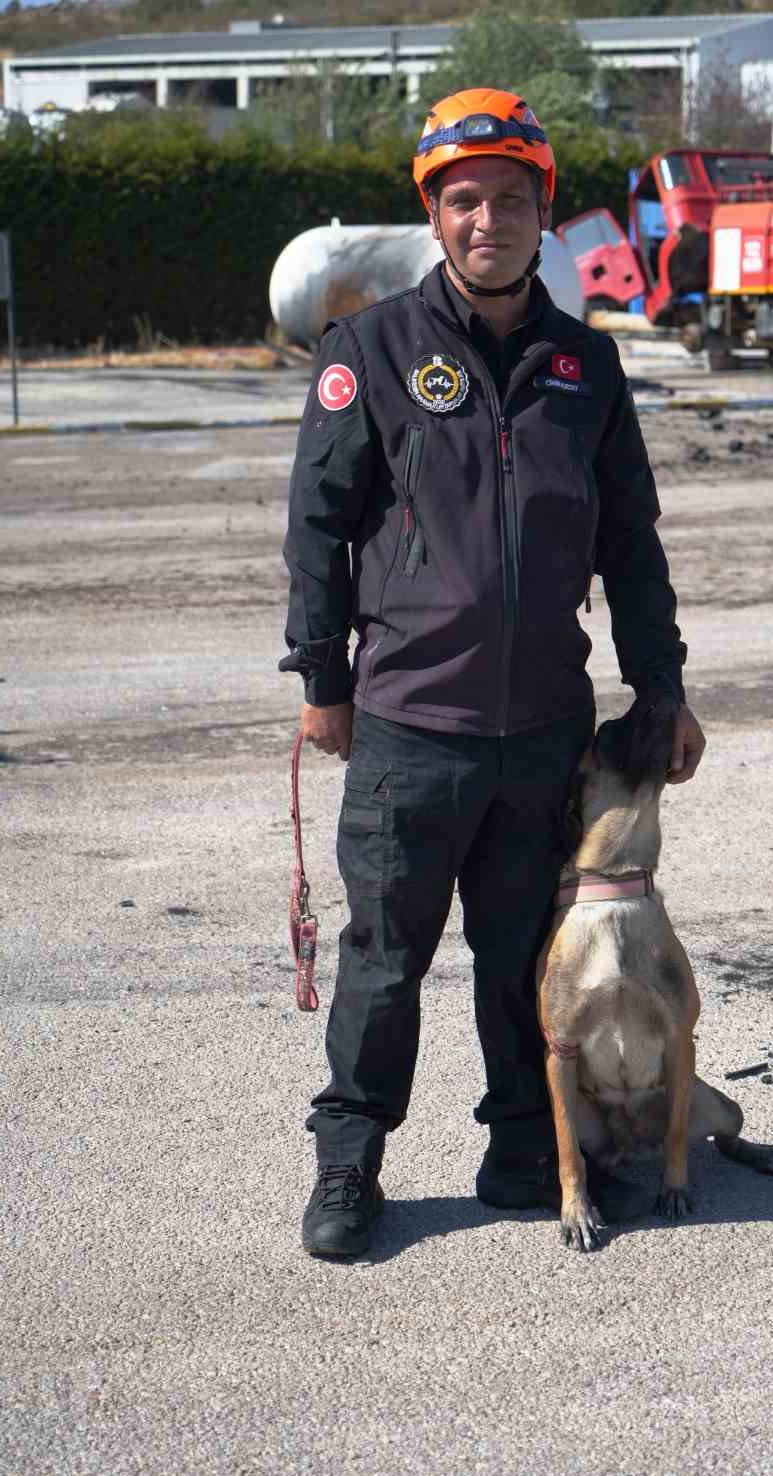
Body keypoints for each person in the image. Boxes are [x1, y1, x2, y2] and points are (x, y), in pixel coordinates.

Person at [281, 86, 706, 1259]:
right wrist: (324, 681)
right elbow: (318, 527)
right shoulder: (368, 352)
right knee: (382, 962)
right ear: (435, 214)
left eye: (509, 201)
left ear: (541, 214)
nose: (487, 222)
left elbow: (630, 544)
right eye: (463, 201)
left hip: (540, 739)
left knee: (523, 956)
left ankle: (525, 1145)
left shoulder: (585, 368)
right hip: (412, 724)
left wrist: (658, 687)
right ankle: (350, 1163)